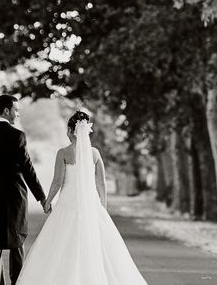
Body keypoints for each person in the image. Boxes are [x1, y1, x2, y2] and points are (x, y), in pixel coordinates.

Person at [16, 111, 148, 285]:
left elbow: (57, 182)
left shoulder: (63, 153)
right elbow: (101, 183)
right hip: (92, 206)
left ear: (71, 130)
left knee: (60, 246)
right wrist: (103, 208)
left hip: (67, 205)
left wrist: (47, 201)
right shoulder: (95, 154)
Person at [0, 95, 47, 285]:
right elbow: (28, 169)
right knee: (16, 243)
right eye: (16, 110)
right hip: (14, 195)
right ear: (6, 111)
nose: (18, 114)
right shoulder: (17, 136)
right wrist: (41, 197)